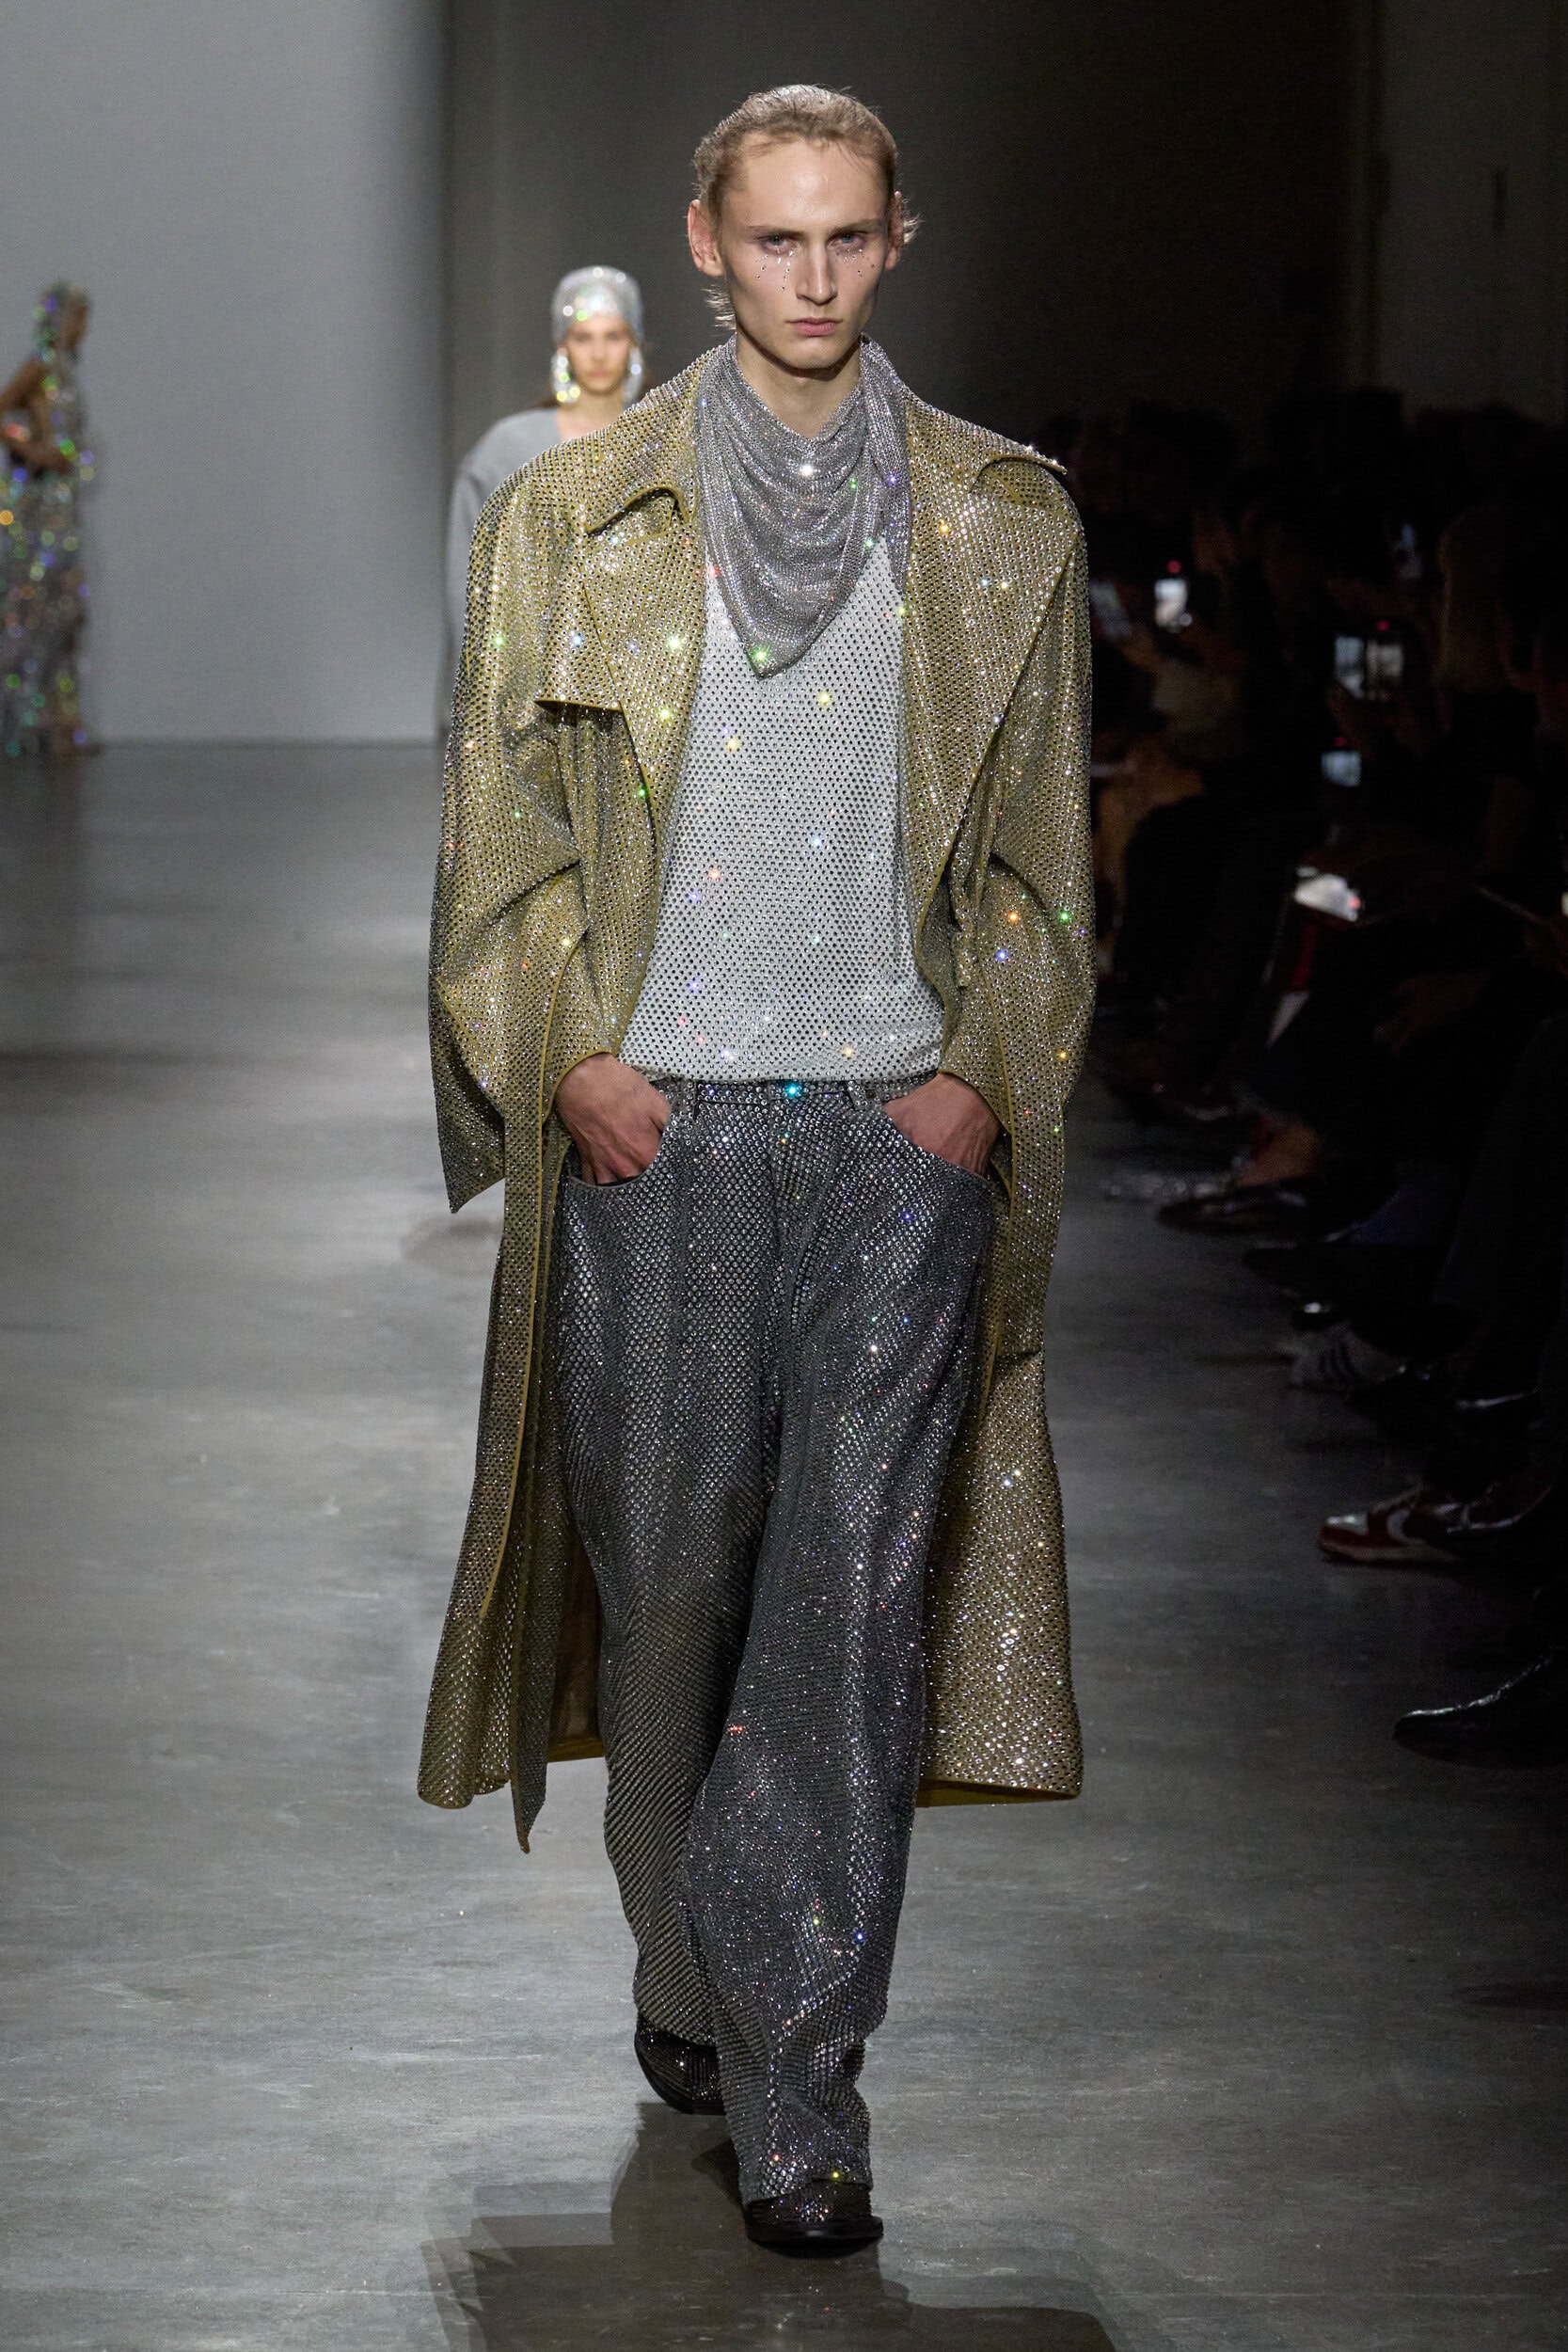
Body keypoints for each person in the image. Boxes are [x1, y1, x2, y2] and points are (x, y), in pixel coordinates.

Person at [418, 84, 1093, 2254]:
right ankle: (686, 1960)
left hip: (896, 1134)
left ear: (895, 240)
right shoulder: (577, 513)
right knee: (672, 1598)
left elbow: (1042, 865)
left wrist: (973, 1079)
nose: (811, 276)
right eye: (773, 237)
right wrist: (572, 1057)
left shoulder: (995, 518)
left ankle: (803, 2086)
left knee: (851, 1616)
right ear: (704, 244)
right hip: (661, 1139)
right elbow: (500, 844)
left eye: (845, 237)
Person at [443, 266, 645, 660]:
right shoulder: (509, 450)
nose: (599, 354)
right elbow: (467, 577)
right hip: (527, 669)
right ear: (562, 348)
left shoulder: (660, 444)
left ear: (633, 345)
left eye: (613, 336)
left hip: (637, 669)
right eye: (583, 338)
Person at [0, 283, 94, 758]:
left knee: (66, 609)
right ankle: (23, 719)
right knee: (32, 607)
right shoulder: (38, 366)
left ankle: (62, 720)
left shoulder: (64, 373)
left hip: (62, 502)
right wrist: (31, 449)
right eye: (77, 318)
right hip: (37, 506)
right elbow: (3, 412)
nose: (82, 329)